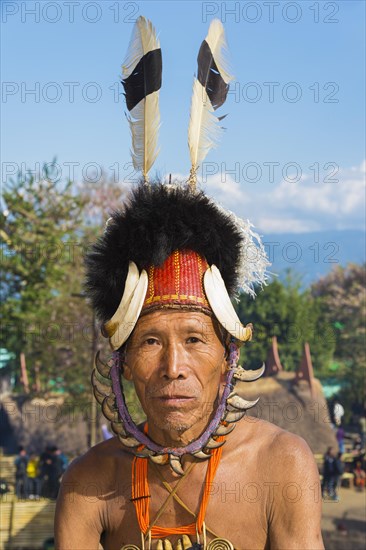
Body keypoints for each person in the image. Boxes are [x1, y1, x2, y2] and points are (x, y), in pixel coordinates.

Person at [55, 16, 323, 550]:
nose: (173, 367)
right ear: (123, 360)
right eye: (151, 341)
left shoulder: (281, 467)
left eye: (195, 339)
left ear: (228, 353)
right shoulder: (87, 485)